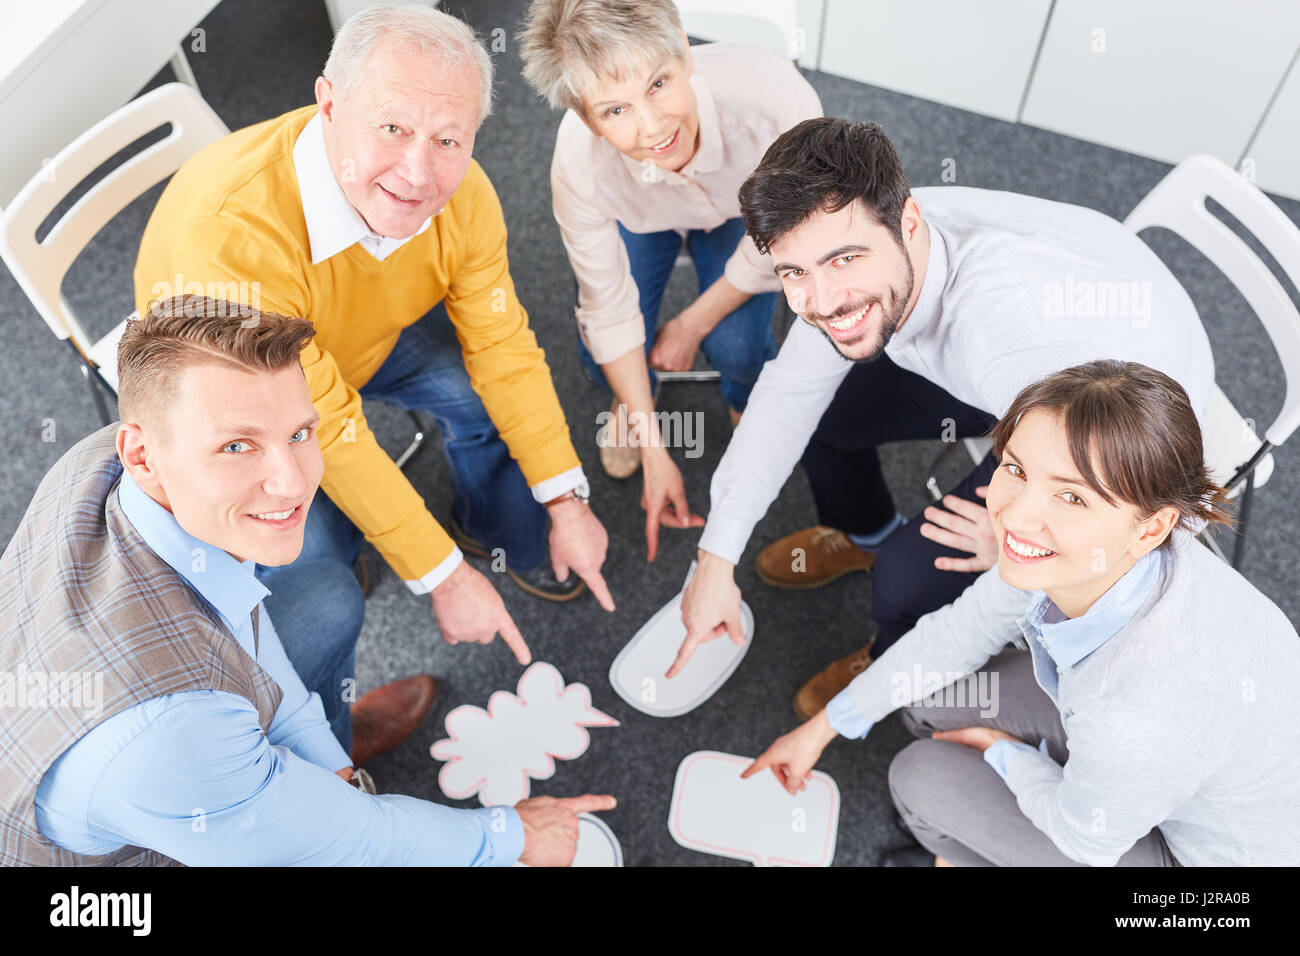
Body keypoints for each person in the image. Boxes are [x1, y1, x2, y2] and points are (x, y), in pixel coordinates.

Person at [133, 4, 614, 764]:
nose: (420, 173)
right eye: (391, 128)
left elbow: (503, 345)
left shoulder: (468, 194)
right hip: (254, 412)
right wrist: (442, 578)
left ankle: (496, 527)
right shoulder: (225, 243)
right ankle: (331, 748)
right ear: (329, 104)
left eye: (448, 139)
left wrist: (564, 496)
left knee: (480, 393)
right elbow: (329, 422)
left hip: (360, 341)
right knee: (321, 598)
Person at [0, 297, 614, 866]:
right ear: (140, 454)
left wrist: (335, 772)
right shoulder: (170, 738)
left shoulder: (109, 460)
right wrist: (511, 835)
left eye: (299, 434)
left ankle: (309, 769)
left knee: (326, 599)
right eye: (238, 445)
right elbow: (357, 840)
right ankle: (268, 783)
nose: (294, 483)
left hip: (131, 722)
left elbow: (243, 621)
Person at [673, 118, 1215, 724]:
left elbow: (1130, 533)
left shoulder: (1010, 338)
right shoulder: (865, 241)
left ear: (909, 222)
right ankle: (864, 534)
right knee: (824, 414)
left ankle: (885, 656)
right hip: (1018, 363)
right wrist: (714, 560)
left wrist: (1030, 542)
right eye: (794, 273)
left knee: (904, 584)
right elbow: (786, 396)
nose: (820, 303)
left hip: (1109, 426)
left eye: (843, 261)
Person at [745, 360, 1300, 866]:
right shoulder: (1106, 556)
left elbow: (1086, 839)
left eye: (1073, 497)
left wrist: (1007, 755)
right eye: (1015, 469)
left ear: (1149, 527)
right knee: (933, 698)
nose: (1016, 517)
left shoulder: (1138, 716)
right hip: (1164, 765)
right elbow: (954, 636)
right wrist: (820, 730)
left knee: (919, 777)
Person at [519, 0, 821, 560]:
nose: (654, 127)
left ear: (683, 49)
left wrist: (691, 323)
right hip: (638, 213)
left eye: (658, 83)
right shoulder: (579, 163)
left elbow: (792, 236)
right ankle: (634, 405)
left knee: (737, 347)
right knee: (599, 356)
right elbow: (607, 307)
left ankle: (744, 400)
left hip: (746, 210)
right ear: (584, 118)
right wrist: (655, 448)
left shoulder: (777, 99)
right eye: (614, 110)